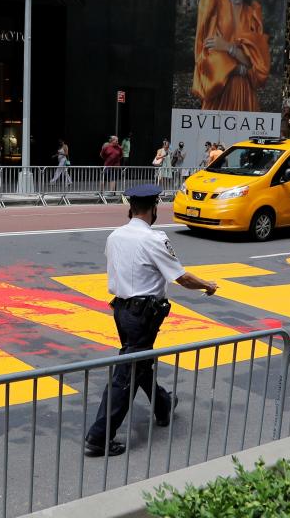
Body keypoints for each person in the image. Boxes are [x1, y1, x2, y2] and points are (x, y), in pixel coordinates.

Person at [84, 184, 217, 457]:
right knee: (128, 372)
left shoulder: (115, 236)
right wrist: (207, 284)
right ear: (154, 209)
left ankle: (163, 405)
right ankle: (99, 436)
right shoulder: (154, 239)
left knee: (139, 362)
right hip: (142, 315)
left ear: (130, 208)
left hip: (121, 310)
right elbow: (181, 277)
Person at [191, 0, 270, 111]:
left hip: (245, 95)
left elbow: (258, 65)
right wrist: (241, 62)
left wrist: (227, 47)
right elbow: (206, 57)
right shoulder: (212, 4)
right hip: (217, 93)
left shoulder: (253, 12)